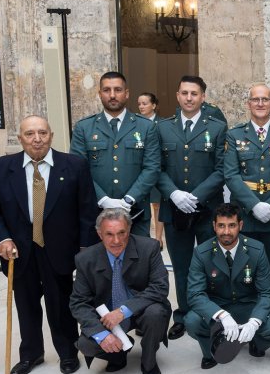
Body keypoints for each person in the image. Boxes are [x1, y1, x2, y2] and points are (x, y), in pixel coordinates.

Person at [0, 115, 97, 374]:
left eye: (42, 133)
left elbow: (87, 212)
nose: (37, 139)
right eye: (30, 134)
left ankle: (68, 352)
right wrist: (2, 239)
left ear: (51, 136)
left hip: (59, 250)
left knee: (61, 304)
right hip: (18, 251)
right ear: (20, 138)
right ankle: (31, 354)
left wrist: (84, 250)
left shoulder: (74, 166)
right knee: (26, 304)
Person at [155, 75, 227, 340]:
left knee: (212, 264)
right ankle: (184, 314)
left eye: (194, 93)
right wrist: (174, 194)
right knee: (182, 265)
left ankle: (211, 312)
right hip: (174, 210)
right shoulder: (162, 128)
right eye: (184, 93)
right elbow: (156, 167)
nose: (189, 98)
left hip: (208, 210)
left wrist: (195, 196)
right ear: (177, 95)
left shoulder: (218, 128)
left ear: (203, 97)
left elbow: (222, 170)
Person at [69, 209, 170, 374]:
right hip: (107, 317)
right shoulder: (85, 259)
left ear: (129, 231)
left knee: (156, 313)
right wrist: (102, 335)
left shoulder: (149, 247)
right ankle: (118, 354)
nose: (116, 241)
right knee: (86, 344)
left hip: (141, 310)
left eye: (121, 233)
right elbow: (78, 303)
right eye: (109, 234)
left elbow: (160, 287)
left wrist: (124, 311)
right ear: (100, 234)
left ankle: (149, 361)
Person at [223, 83, 270, 304]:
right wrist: (254, 205)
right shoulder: (235, 134)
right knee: (244, 269)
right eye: (255, 99)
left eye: (265, 99)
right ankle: (247, 314)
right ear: (248, 104)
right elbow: (231, 175)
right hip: (245, 214)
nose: (260, 104)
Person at [186, 203, 270, 368]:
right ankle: (212, 350)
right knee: (191, 321)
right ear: (214, 226)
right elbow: (194, 294)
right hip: (218, 306)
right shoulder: (202, 253)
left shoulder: (256, 249)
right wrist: (221, 315)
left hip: (248, 305)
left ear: (240, 225)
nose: (226, 232)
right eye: (221, 226)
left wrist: (255, 321)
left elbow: (267, 292)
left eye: (232, 225)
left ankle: (255, 342)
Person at [70, 72, 161, 237]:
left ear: (126, 93)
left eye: (118, 90)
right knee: (99, 262)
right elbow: (78, 169)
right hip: (96, 213)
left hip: (136, 213)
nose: (112, 95)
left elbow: (152, 167)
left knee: (137, 260)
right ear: (99, 94)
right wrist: (104, 200)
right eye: (107, 90)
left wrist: (128, 200)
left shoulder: (146, 127)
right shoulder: (84, 128)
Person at [136, 92, 165, 248]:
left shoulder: (163, 124)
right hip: (139, 171)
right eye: (139, 103)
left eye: (145, 103)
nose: (141, 106)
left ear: (154, 105)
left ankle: (158, 238)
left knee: (157, 204)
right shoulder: (135, 123)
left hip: (156, 168)